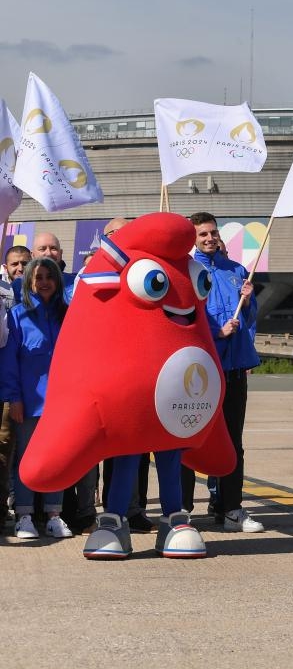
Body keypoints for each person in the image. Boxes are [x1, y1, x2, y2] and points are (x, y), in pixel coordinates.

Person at [185, 211, 264, 533]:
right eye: (202, 234)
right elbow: (182, 318)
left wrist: (247, 301)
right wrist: (215, 333)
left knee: (232, 442)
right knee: (190, 441)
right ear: (192, 238)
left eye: (213, 233)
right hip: (200, 373)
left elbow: (251, 320)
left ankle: (231, 507)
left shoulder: (236, 272)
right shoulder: (186, 271)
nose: (209, 238)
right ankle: (181, 509)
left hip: (232, 371)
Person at [1, 257, 73, 539]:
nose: (44, 282)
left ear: (57, 280)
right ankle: (25, 515)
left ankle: (54, 514)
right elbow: (9, 364)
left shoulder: (67, 314)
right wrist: (14, 398)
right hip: (29, 403)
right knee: (27, 460)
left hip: (62, 403)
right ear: (30, 281)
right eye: (38, 277)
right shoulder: (17, 315)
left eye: (49, 277)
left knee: (57, 459)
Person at [98, 218, 155, 534]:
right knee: (111, 448)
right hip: (108, 375)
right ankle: (112, 509)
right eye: (115, 233)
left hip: (142, 375)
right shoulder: (95, 274)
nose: (122, 238)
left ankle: (135, 509)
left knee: (138, 447)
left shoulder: (145, 273)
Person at [0, 245, 28, 526]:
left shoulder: (34, 295)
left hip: (18, 387)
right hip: (7, 384)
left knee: (9, 447)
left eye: (24, 263)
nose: (19, 268)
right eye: (14, 264)